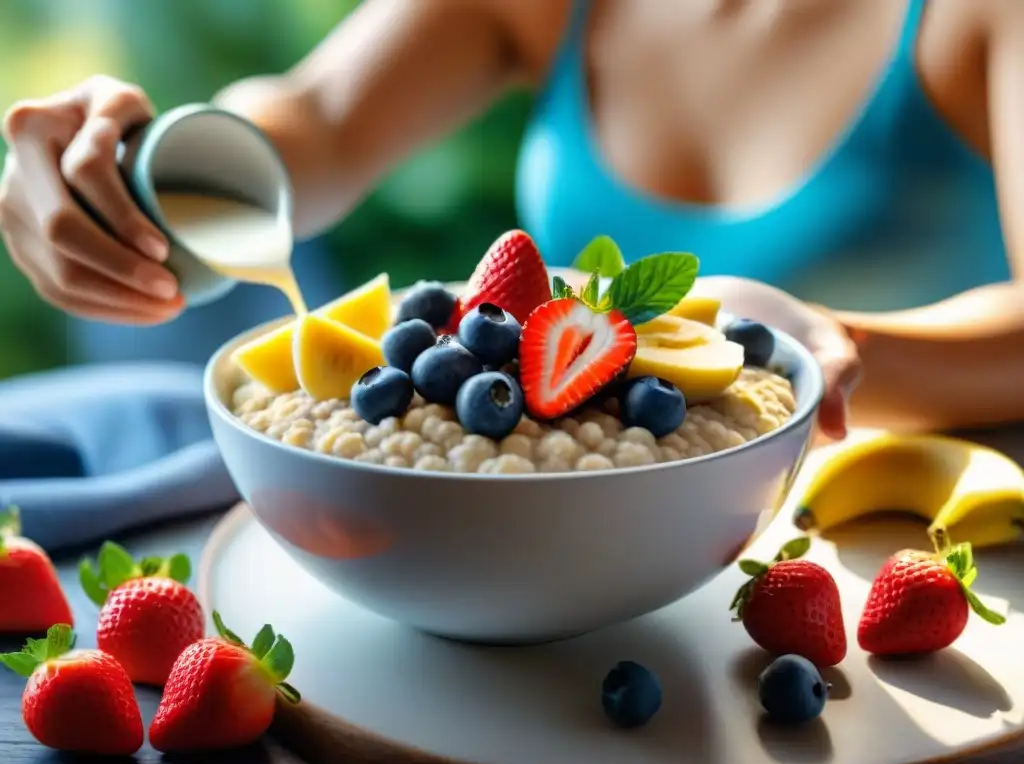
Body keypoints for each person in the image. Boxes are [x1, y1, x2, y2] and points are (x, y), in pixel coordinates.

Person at [1, 0, 1022, 440]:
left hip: (884, 586)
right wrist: (137, 166)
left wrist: (831, 348)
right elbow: (315, 119)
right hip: (579, 553)